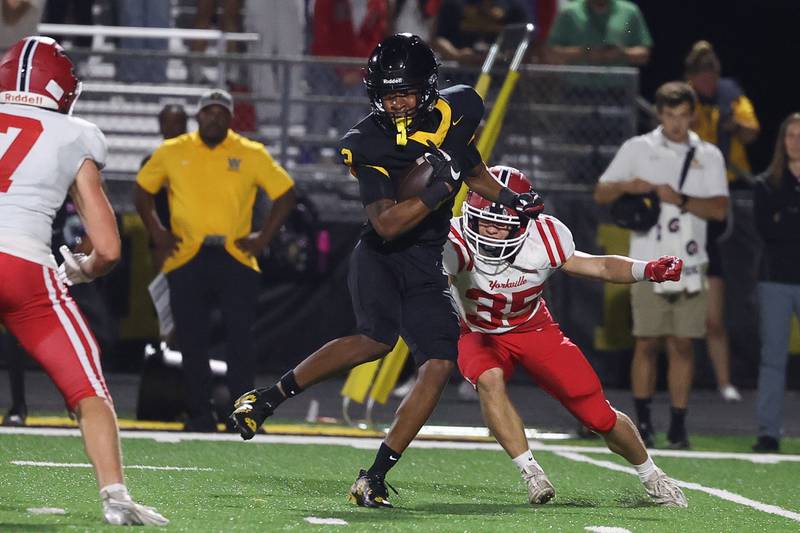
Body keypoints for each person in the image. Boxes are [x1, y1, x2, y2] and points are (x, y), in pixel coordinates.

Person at [230, 33, 545, 508]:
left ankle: (374, 476)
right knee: (375, 340)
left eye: (405, 93)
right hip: (381, 254)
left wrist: (511, 198)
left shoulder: (457, 111)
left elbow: (472, 167)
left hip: (425, 260)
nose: (396, 104)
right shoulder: (366, 140)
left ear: (429, 89)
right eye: (388, 94)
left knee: (439, 365)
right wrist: (440, 188)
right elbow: (387, 221)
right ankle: (269, 396)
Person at [445, 165, 687, 507]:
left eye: (500, 224)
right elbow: (435, 288)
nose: (489, 231)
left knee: (598, 415)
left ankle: (652, 475)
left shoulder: (545, 237)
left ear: (523, 222)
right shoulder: (451, 241)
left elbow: (598, 266)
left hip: (532, 327)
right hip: (478, 331)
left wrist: (645, 269)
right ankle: (532, 473)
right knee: (489, 378)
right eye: (484, 221)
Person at [0, 36, 167, 526]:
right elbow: (109, 249)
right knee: (87, 386)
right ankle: (115, 496)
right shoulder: (75, 134)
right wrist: (81, 268)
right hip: (24, 268)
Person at [134, 89, 297, 432]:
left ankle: (244, 415)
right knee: (191, 340)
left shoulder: (250, 152)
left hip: (235, 255)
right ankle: (198, 414)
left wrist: (263, 237)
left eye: (221, 112)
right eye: (208, 112)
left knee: (241, 340)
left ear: (231, 118)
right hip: (187, 255)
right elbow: (142, 190)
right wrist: (157, 230)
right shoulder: (172, 150)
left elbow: (286, 193)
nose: (214, 118)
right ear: (198, 116)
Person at [594, 82, 729, 449]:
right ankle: (645, 423)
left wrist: (679, 199)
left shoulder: (709, 154)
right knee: (646, 343)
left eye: (683, 116)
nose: (675, 124)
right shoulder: (639, 148)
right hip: (649, 262)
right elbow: (602, 192)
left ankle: (679, 425)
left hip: (690, 261)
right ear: (659, 114)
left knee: (683, 344)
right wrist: (631, 185)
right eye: (669, 116)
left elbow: (719, 209)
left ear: (692, 115)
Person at [685, 40, 761, 403]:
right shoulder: (683, 105)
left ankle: (724, 381)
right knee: (674, 320)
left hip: (718, 198)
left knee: (715, 312)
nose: (706, 80)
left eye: (710, 73)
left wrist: (729, 124)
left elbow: (751, 131)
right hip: (683, 209)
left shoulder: (731, 96)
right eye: (700, 74)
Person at [752, 112, 800, 453]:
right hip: (776, 280)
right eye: (791, 135)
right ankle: (769, 432)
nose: (796, 141)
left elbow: (782, 225)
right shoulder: (766, 183)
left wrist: (785, 215)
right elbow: (768, 232)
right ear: (782, 141)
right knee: (773, 358)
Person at [546, 0, 652, 67]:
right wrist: (584, 53)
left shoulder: (630, 12)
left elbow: (644, 55)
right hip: (576, 90)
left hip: (619, 90)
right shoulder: (569, 12)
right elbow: (550, 54)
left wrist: (621, 53)